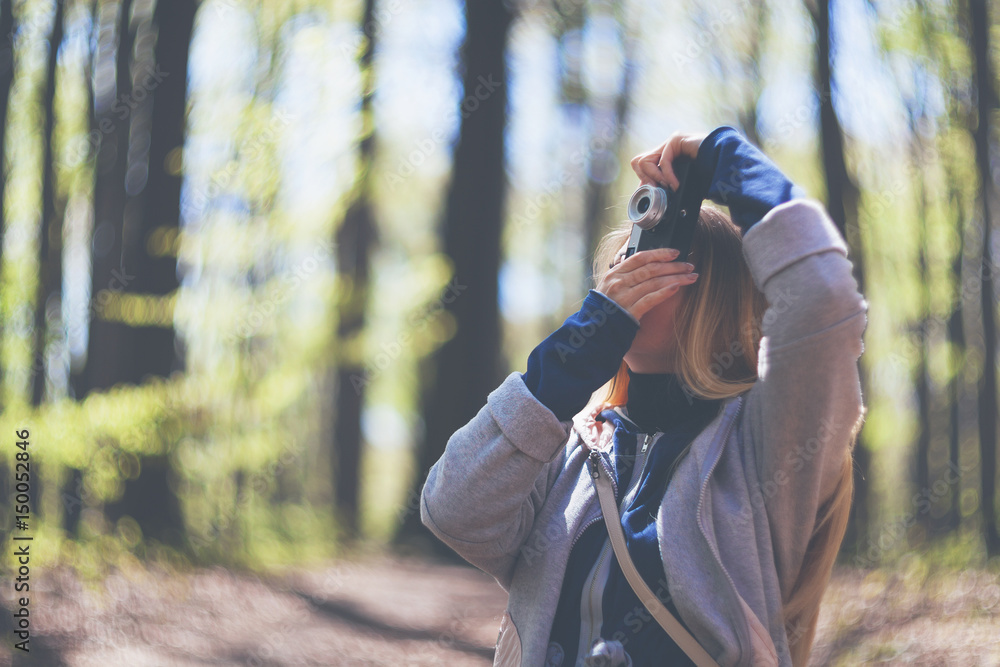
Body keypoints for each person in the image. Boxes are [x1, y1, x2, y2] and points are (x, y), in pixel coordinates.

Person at [420, 126, 868, 667]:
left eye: (644, 258)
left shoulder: (761, 446)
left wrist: (725, 157)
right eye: (617, 264)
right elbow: (452, 511)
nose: (617, 279)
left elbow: (823, 298)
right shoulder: (569, 449)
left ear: (710, 294)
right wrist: (574, 356)